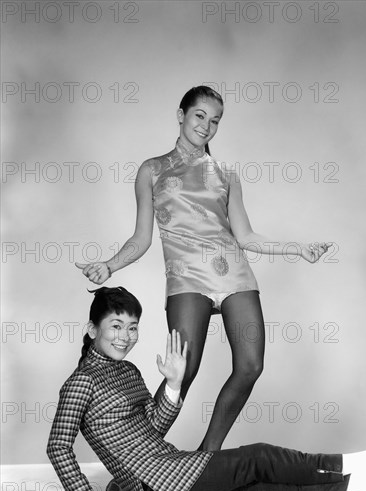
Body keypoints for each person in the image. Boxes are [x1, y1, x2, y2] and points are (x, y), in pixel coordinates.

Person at [75, 85, 333, 451]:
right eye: (200, 116)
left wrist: (298, 249)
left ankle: (206, 456)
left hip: (234, 273)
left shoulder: (226, 172)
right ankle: (140, 456)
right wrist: (109, 265)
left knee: (250, 366)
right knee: (185, 370)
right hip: (186, 277)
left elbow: (246, 236)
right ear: (181, 115)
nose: (207, 126)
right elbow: (141, 238)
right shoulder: (152, 170)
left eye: (215, 121)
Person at [47, 287, 366, 491]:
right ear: (93, 329)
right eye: (115, 326)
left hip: (167, 469)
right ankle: (357, 463)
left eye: (132, 328)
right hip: (162, 482)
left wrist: (175, 384)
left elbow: (152, 427)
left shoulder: (127, 371)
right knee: (258, 457)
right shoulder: (81, 382)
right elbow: (58, 446)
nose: (125, 337)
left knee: (260, 482)